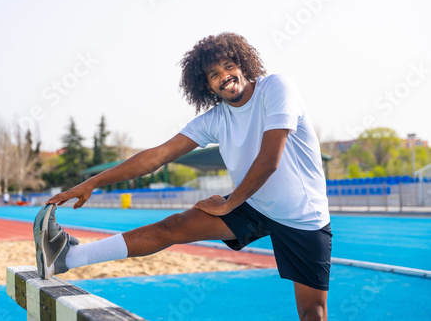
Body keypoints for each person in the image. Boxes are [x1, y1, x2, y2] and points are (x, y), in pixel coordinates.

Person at [34, 32, 331, 320]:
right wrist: (93, 182)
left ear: (243, 64)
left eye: (229, 66)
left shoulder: (276, 88)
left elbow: (269, 161)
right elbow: (157, 156)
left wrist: (228, 204)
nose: (224, 76)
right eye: (214, 74)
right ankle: (67, 258)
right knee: (174, 225)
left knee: (311, 312)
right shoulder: (215, 119)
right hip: (255, 203)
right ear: (207, 86)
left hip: (302, 216)